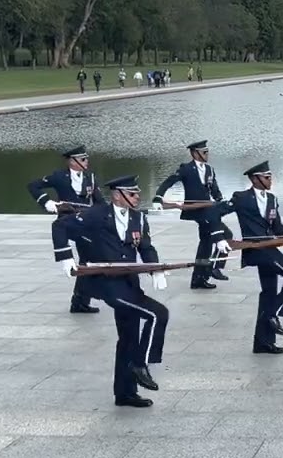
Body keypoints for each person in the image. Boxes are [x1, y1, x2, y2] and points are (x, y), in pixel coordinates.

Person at [53, 175, 169, 408]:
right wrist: (65, 256)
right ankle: (140, 363)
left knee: (128, 337)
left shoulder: (139, 217)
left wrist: (155, 269)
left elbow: (145, 247)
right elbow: (60, 226)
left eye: (137, 193)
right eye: (133, 194)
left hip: (128, 281)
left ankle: (125, 393)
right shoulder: (96, 214)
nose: (138, 197)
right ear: (117, 195)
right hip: (105, 283)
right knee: (158, 313)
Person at [206, 161, 283, 354]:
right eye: (267, 177)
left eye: (271, 177)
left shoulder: (272, 199)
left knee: (269, 293)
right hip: (257, 250)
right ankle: (273, 314)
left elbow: (276, 225)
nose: (270, 181)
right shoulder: (241, 198)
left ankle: (263, 342)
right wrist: (219, 237)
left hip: (270, 248)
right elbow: (213, 213)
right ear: (255, 179)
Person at [25, 145, 103, 313]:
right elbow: (33, 186)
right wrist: (47, 202)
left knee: (89, 261)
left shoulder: (91, 178)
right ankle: (67, 264)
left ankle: (80, 302)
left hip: (85, 223)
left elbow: (99, 202)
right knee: (85, 259)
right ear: (72, 162)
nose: (86, 162)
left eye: (87, 159)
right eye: (83, 159)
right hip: (67, 222)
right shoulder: (59, 177)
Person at [150, 140, 228, 290]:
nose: (207, 155)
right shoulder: (186, 169)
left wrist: (220, 201)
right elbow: (169, 182)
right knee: (225, 234)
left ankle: (198, 279)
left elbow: (215, 190)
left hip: (208, 211)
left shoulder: (210, 170)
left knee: (205, 244)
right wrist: (158, 197)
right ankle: (214, 268)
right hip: (196, 211)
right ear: (194, 153)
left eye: (207, 152)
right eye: (204, 152)